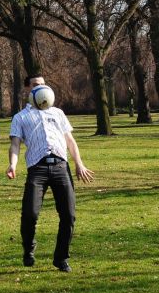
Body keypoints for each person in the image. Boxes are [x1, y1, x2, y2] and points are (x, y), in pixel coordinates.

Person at [6, 74, 94, 272]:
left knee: (69, 215)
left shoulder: (58, 113)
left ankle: (61, 258)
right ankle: (29, 248)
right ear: (27, 89)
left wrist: (79, 163)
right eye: (36, 85)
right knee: (30, 214)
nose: (41, 88)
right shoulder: (20, 117)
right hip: (37, 169)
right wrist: (12, 165)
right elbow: (15, 144)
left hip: (61, 167)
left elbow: (70, 141)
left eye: (44, 85)